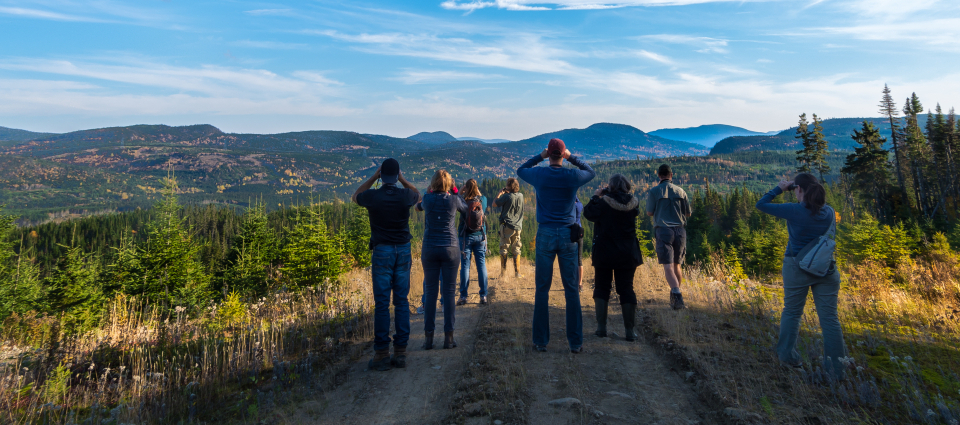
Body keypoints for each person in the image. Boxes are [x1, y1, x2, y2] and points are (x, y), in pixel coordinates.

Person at [756, 173, 846, 380]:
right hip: (826, 270)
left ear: (799, 190)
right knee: (830, 320)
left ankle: (788, 358)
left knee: (792, 313)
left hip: (797, 267)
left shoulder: (795, 210)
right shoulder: (830, 212)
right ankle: (836, 370)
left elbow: (761, 204)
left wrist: (780, 189)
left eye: (795, 188)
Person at [517, 138, 596, 353]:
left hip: (546, 233)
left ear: (549, 154)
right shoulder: (571, 176)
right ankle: (576, 343)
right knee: (571, 289)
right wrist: (572, 157)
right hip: (568, 234)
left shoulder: (540, 175)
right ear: (562, 155)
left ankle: (541, 341)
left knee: (542, 288)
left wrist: (540, 156)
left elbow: (521, 169)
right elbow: (590, 171)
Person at [352, 158, 420, 371]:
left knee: (382, 302)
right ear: (397, 175)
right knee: (401, 300)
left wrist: (373, 177)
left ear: (382, 175)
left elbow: (356, 196)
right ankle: (400, 352)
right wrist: (403, 179)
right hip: (403, 250)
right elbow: (417, 194)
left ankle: (382, 353)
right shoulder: (404, 195)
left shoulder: (372, 196)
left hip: (382, 250)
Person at [583, 174, 642, 341]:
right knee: (626, 289)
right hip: (627, 252)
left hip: (605, 251)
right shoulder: (633, 204)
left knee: (602, 287)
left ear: (610, 187)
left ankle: (601, 328)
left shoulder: (603, 203)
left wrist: (596, 195)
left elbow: (588, 213)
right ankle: (629, 331)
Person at [417, 170, 469, 350]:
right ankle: (449, 338)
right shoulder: (454, 200)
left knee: (430, 292)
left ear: (433, 184)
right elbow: (465, 208)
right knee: (449, 292)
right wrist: (454, 190)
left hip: (430, 248)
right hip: (450, 248)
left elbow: (419, 205)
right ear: (448, 185)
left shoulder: (427, 199)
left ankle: (428, 339)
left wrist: (429, 192)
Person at [645, 164, 691, 310]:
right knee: (677, 264)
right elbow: (688, 213)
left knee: (667, 265)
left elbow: (649, 213)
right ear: (671, 175)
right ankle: (676, 297)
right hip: (680, 230)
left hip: (663, 230)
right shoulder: (681, 191)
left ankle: (677, 296)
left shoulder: (654, 191)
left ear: (659, 175)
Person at [457, 179, 489, 306]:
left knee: (465, 265)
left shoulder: (463, 201)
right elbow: (482, 197)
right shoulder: (483, 200)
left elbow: (455, 200)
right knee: (481, 265)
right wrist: (476, 191)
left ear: (466, 188)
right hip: (480, 236)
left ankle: (463, 296)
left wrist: (461, 192)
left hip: (465, 237)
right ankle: (483, 295)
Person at [492, 178, 524, 278]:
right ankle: (517, 273)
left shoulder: (506, 196)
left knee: (504, 248)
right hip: (518, 226)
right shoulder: (521, 196)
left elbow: (494, 204)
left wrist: (499, 193)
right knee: (516, 248)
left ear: (509, 186)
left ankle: (503, 273)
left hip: (507, 225)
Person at [574, 197, 584, 291]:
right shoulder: (579, 205)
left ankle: (572, 282)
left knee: (570, 259)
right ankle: (580, 284)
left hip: (570, 234)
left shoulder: (570, 206)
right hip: (579, 232)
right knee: (579, 259)